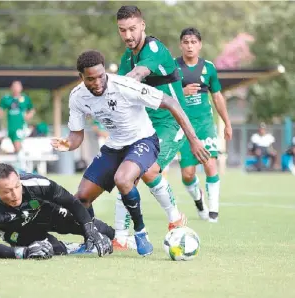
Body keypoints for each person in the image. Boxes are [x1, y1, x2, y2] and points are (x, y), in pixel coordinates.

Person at [51, 50, 210, 256]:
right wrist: (68, 144)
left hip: (143, 141)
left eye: (101, 76)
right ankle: (93, 241)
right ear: (81, 77)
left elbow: (170, 101)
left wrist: (194, 140)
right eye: (91, 79)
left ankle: (140, 231)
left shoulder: (125, 86)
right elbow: (76, 135)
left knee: (123, 179)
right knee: (81, 198)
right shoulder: (77, 97)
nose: (98, 82)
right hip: (115, 146)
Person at [113, 5, 189, 247]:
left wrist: (118, 84)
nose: (128, 35)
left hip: (171, 123)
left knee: (148, 171)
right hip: (144, 126)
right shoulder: (127, 55)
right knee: (126, 175)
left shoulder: (154, 49)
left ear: (142, 26)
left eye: (132, 29)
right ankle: (121, 238)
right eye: (122, 30)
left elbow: (137, 74)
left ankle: (176, 219)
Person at [0, 163, 114, 259]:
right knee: (47, 250)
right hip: (17, 232)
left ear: (19, 179)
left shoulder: (37, 183)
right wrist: (23, 253)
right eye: (7, 191)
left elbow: (71, 202)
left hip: (46, 213)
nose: (15, 194)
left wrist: (90, 228)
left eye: (17, 186)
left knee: (99, 230)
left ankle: (122, 239)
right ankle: (72, 247)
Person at [174, 27, 233, 223]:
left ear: (200, 45)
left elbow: (217, 96)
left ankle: (213, 212)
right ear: (180, 45)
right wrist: (183, 92)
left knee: (210, 164)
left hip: (205, 125)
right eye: (186, 42)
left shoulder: (209, 68)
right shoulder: (173, 68)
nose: (190, 46)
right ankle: (199, 202)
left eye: (193, 42)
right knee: (188, 174)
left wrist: (227, 123)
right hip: (183, 127)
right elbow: (166, 96)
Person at [0, 81, 35, 153]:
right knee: (16, 148)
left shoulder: (25, 98)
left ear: (21, 88)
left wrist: (28, 116)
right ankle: (23, 159)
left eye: (17, 86)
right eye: (14, 86)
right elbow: (0, 110)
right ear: (11, 88)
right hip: (10, 127)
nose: (16, 88)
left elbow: (32, 110)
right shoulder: (6, 99)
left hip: (20, 126)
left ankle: (22, 159)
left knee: (17, 145)